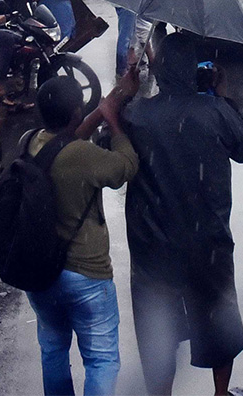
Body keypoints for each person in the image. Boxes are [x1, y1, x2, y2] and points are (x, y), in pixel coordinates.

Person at [124, 33, 243, 396]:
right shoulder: (214, 112)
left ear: (160, 71)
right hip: (207, 243)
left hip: (153, 247)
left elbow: (109, 143)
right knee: (219, 322)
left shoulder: (138, 115)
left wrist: (127, 88)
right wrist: (221, 94)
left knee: (158, 331)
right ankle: (220, 393)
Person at [25, 73, 140, 396]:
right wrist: (115, 125)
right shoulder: (83, 156)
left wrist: (113, 100)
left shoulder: (32, 142)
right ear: (76, 113)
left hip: (42, 272)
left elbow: (72, 137)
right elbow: (125, 167)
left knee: (54, 350)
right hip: (86, 275)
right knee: (101, 360)